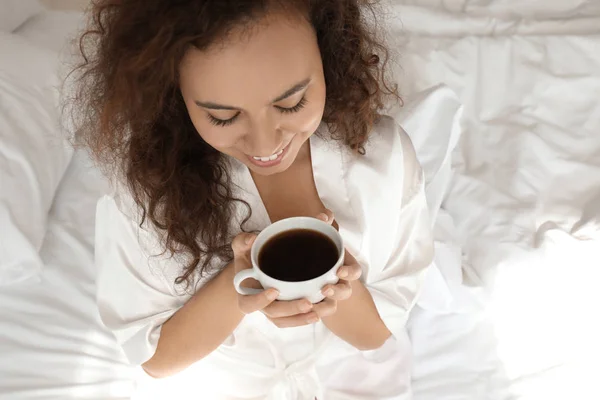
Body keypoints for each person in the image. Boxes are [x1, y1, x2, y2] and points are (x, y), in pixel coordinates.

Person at [70, 0, 434, 398]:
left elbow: (377, 336)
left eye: (291, 103)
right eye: (223, 117)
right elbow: (156, 359)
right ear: (172, 93)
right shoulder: (147, 190)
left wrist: (338, 286)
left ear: (330, 52)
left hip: (348, 373)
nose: (267, 146)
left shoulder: (383, 159)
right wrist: (239, 282)